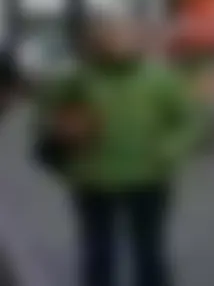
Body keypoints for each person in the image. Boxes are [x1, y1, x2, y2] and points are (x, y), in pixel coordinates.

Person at [34, 15, 202, 286]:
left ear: (137, 41)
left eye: (123, 35)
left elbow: (186, 121)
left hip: (149, 176)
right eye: (108, 36)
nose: (116, 42)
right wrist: (63, 144)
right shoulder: (76, 79)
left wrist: (169, 150)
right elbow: (46, 119)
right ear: (93, 41)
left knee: (149, 249)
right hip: (93, 178)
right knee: (98, 251)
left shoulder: (161, 79)